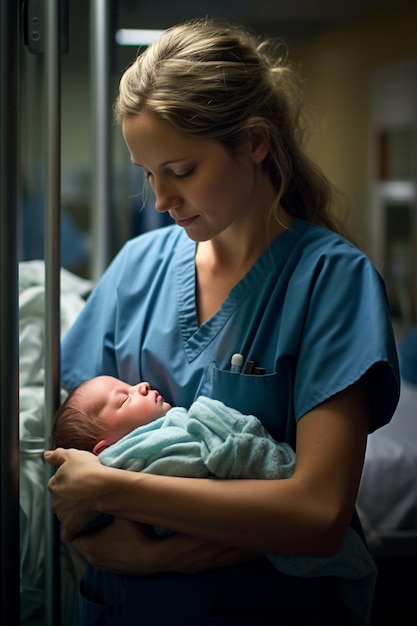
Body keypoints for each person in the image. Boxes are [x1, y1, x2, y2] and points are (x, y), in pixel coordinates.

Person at [44, 17, 400, 625]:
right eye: (148, 174)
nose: (160, 200)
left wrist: (119, 496)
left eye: (181, 171)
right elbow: (65, 465)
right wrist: (105, 540)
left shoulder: (328, 280)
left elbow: (316, 517)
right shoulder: (138, 267)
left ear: (254, 142)